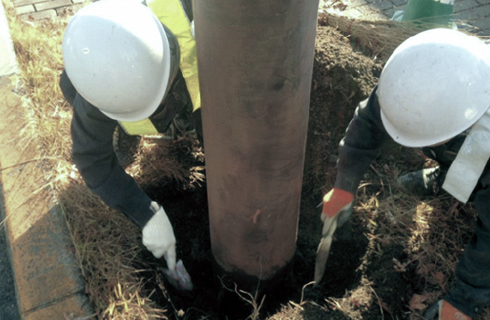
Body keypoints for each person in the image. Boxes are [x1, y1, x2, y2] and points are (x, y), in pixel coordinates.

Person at [320, 28, 490, 320]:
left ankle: (465, 180)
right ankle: (451, 178)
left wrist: (464, 302)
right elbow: (367, 125)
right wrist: (344, 186)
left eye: (428, 140)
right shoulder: (413, 77)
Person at [59, 0, 201, 274]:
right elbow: (92, 159)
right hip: (122, 76)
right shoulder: (94, 82)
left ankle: (178, 112)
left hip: (189, 72)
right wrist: (144, 213)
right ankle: (127, 133)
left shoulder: (196, 24)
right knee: (70, 86)